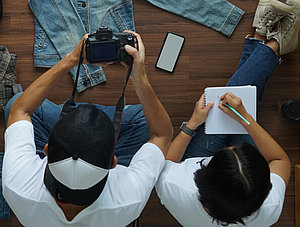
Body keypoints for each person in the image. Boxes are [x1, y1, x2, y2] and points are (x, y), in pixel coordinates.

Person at [2, 31, 173, 227]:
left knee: (15, 102)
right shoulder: (128, 197)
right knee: (143, 118)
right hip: (98, 159)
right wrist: (139, 77)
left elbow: (20, 109)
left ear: (46, 149)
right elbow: (162, 134)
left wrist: (70, 60)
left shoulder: (18, 185)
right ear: (113, 162)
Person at [155, 0, 299, 226]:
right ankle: (271, 43)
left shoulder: (176, 188)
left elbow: (167, 161)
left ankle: (266, 41)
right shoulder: (269, 206)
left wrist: (193, 123)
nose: (232, 143)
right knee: (235, 101)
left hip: (194, 160)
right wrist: (244, 118)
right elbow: (281, 159)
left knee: (227, 102)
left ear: (202, 178)